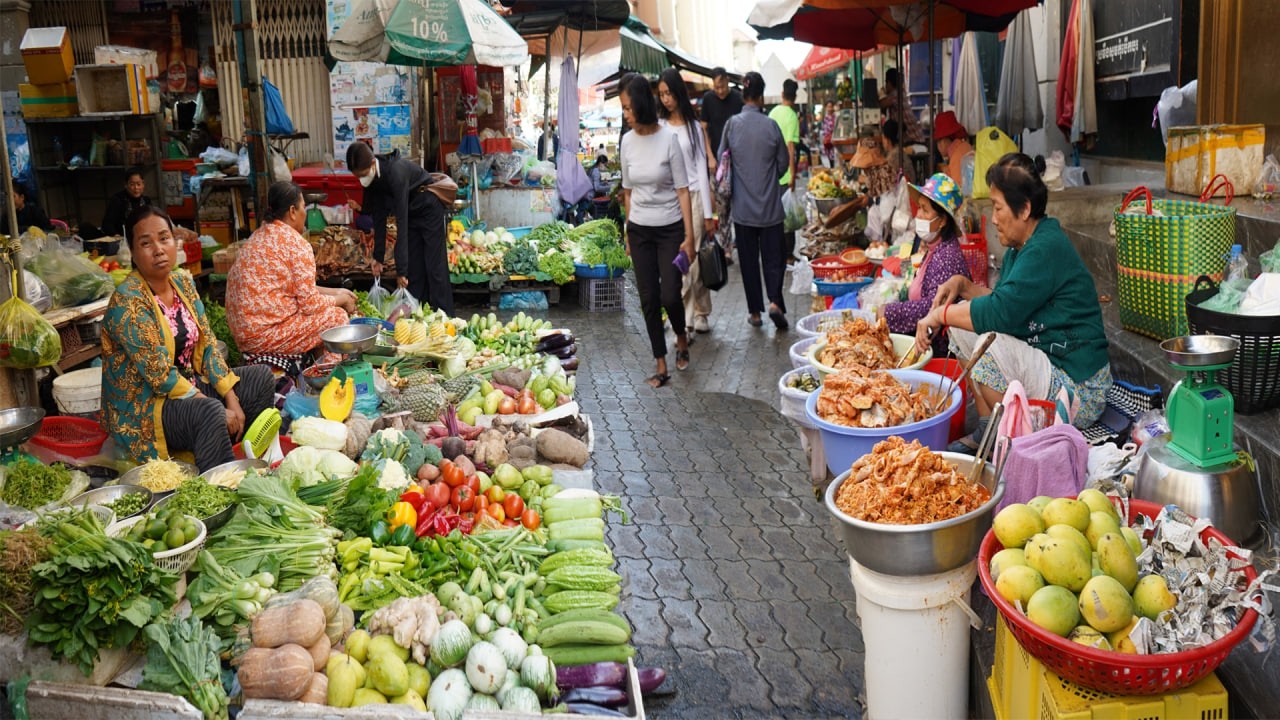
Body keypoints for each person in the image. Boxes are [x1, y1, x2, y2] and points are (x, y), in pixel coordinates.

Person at [914, 153, 1111, 452]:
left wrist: (940, 314)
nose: (993, 219)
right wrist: (964, 286)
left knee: (988, 342)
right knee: (962, 327)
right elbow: (1001, 302)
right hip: (1048, 363)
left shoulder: (1044, 249)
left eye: (998, 208)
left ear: (1025, 209)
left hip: (1079, 390)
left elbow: (999, 314)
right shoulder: (1022, 247)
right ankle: (988, 428)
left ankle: (1015, 444)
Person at [102, 205, 275, 472]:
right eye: (146, 243)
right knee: (210, 412)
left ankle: (236, 454)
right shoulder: (127, 301)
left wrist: (232, 399)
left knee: (260, 378)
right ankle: (220, 483)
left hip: (189, 388)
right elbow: (160, 376)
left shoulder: (182, 282)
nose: (158, 249)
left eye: (164, 238)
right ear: (134, 254)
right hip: (150, 407)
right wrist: (215, 407)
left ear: (174, 242)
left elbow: (207, 345)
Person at [225, 181, 355, 374]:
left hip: (244, 334)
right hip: (265, 335)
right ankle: (329, 378)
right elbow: (309, 304)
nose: (305, 213)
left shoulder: (258, 236)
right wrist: (341, 300)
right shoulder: (296, 244)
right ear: (292, 211)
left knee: (329, 310)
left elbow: (298, 287)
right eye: (304, 207)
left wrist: (338, 292)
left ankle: (318, 368)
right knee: (336, 318)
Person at [619, 72, 696, 388]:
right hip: (639, 231)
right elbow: (627, 191)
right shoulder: (626, 141)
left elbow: (682, 190)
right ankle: (660, 364)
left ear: (640, 105)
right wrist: (626, 232)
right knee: (649, 298)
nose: (625, 115)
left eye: (627, 108)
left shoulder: (669, 139)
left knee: (670, 296)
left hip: (670, 230)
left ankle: (681, 336)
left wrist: (689, 237)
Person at [346, 142, 454, 317]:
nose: (361, 179)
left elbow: (401, 222)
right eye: (357, 176)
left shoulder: (395, 172)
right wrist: (378, 257)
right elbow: (378, 217)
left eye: (363, 174)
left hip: (428, 206)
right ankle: (420, 314)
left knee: (435, 266)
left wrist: (400, 271)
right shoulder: (372, 180)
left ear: (373, 164)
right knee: (415, 267)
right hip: (411, 209)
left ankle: (446, 315)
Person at [720, 71, 790, 330]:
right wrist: (771, 178)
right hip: (771, 207)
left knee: (749, 262)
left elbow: (722, 161)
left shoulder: (732, 125)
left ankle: (756, 313)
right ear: (761, 97)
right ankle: (775, 302)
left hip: (743, 210)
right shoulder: (771, 125)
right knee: (774, 258)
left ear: (743, 95)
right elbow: (783, 163)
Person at [880, 173, 970, 356]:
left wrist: (889, 312)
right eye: (919, 208)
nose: (918, 214)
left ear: (943, 220)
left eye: (925, 210)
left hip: (939, 352)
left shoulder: (948, 257)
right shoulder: (934, 248)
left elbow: (933, 306)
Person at [658, 68, 716, 336]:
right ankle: (696, 311)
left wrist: (707, 212)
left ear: (678, 93)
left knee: (691, 258)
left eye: (669, 93)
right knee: (680, 259)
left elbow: (701, 171)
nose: (665, 99)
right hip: (670, 199)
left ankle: (690, 316)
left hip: (693, 196)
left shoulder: (694, 128)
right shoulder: (660, 128)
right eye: (661, 94)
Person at [769, 79, 801, 265]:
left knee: (777, 215)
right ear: (795, 97)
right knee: (788, 217)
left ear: (782, 94)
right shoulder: (791, 116)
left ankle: (779, 253)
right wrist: (792, 173)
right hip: (785, 174)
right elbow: (790, 147)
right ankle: (788, 255)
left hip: (772, 173)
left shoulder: (773, 112)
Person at [699, 67, 744, 172]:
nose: (720, 91)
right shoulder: (708, 99)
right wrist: (710, 157)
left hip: (736, 157)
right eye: (716, 87)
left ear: (727, 80)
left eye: (722, 87)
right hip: (716, 158)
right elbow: (703, 129)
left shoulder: (738, 98)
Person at [100, 167, 152, 239]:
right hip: (122, 239)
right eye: (132, 184)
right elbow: (107, 225)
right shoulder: (117, 200)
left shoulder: (146, 201)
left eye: (138, 184)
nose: (136, 188)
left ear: (143, 184)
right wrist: (116, 235)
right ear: (126, 185)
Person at [879, 68, 925, 145]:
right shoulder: (900, 93)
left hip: (913, 140)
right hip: (915, 138)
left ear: (889, 83)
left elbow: (882, 104)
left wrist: (881, 93)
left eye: (886, 83)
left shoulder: (895, 94)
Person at [933, 111, 973, 187]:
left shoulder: (957, 156)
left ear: (943, 141)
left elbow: (957, 187)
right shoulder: (964, 146)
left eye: (938, 142)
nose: (938, 146)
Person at [881, 119, 916, 185]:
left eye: (883, 138)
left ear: (887, 140)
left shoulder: (893, 156)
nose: (882, 142)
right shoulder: (899, 152)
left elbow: (884, 181)